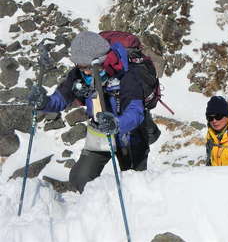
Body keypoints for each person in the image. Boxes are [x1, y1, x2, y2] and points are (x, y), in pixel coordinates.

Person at [28, 31, 151, 193]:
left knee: (135, 184)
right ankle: (95, 210)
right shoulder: (78, 75)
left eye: (86, 67)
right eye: (80, 67)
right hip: (99, 134)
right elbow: (60, 99)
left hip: (130, 135)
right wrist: (44, 102)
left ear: (102, 59)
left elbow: (136, 112)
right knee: (80, 178)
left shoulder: (127, 74)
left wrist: (116, 124)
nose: (84, 72)